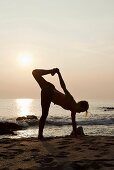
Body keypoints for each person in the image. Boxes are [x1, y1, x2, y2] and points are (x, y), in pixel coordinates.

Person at [32, 68, 89, 139]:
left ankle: (53, 71)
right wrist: (59, 74)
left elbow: (74, 122)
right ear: (80, 105)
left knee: (35, 73)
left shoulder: (73, 110)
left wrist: (75, 135)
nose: (80, 112)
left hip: (50, 88)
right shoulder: (71, 99)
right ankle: (40, 136)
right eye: (81, 110)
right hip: (49, 92)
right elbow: (63, 86)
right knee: (44, 114)